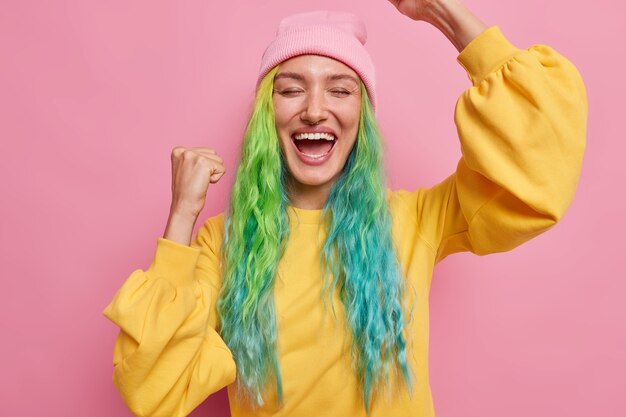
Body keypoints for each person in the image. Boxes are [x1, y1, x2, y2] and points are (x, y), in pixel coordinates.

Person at [103, 1, 587, 416]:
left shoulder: (415, 220)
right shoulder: (221, 241)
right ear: (265, 117)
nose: (314, 109)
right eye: (291, 89)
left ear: (363, 118)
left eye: (340, 89)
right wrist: (182, 216)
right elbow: (155, 387)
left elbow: (537, 173)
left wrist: (445, 12)